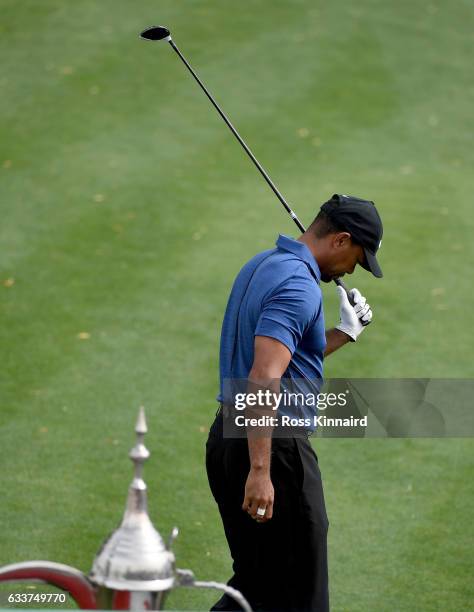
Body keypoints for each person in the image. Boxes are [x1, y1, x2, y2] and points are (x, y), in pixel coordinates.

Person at [206, 194, 383, 611]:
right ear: (341, 240)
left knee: (257, 585)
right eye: (357, 259)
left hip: (230, 436)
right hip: (274, 446)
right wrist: (262, 470)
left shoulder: (264, 264)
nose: (352, 270)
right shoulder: (299, 285)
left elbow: (283, 362)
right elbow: (265, 376)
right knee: (304, 595)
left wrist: (343, 333)